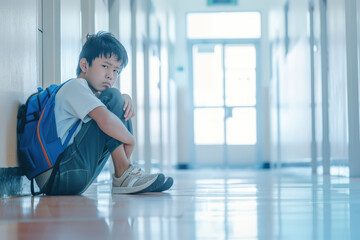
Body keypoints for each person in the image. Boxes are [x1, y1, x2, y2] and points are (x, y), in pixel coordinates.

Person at [35, 31, 173, 195]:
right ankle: (124, 173)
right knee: (114, 97)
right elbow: (105, 120)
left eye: (116, 70)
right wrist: (130, 140)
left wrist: (123, 99)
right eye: (105, 66)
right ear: (85, 65)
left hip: (69, 177)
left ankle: (126, 173)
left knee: (119, 100)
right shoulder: (75, 86)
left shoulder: (90, 95)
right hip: (59, 176)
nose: (110, 75)